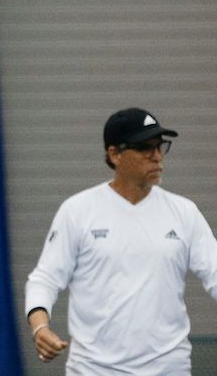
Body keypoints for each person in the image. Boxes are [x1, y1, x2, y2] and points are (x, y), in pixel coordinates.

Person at [25, 108, 217, 374]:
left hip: (169, 369)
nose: (157, 156)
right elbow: (45, 279)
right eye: (144, 148)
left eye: (160, 147)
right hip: (93, 370)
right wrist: (40, 327)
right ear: (114, 155)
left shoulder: (184, 212)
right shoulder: (78, 211)